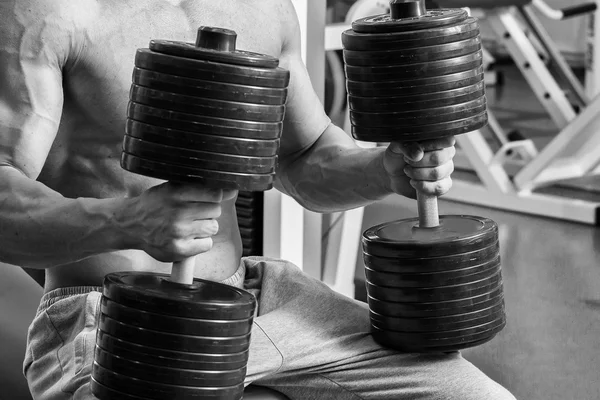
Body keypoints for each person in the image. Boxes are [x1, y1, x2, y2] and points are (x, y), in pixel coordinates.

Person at [0, 0, 515, 399]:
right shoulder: (51, 13)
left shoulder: (261, 8)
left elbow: (303, 156)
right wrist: (128, 221)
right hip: (114, 320)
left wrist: (384, 169)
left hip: (254, 296)